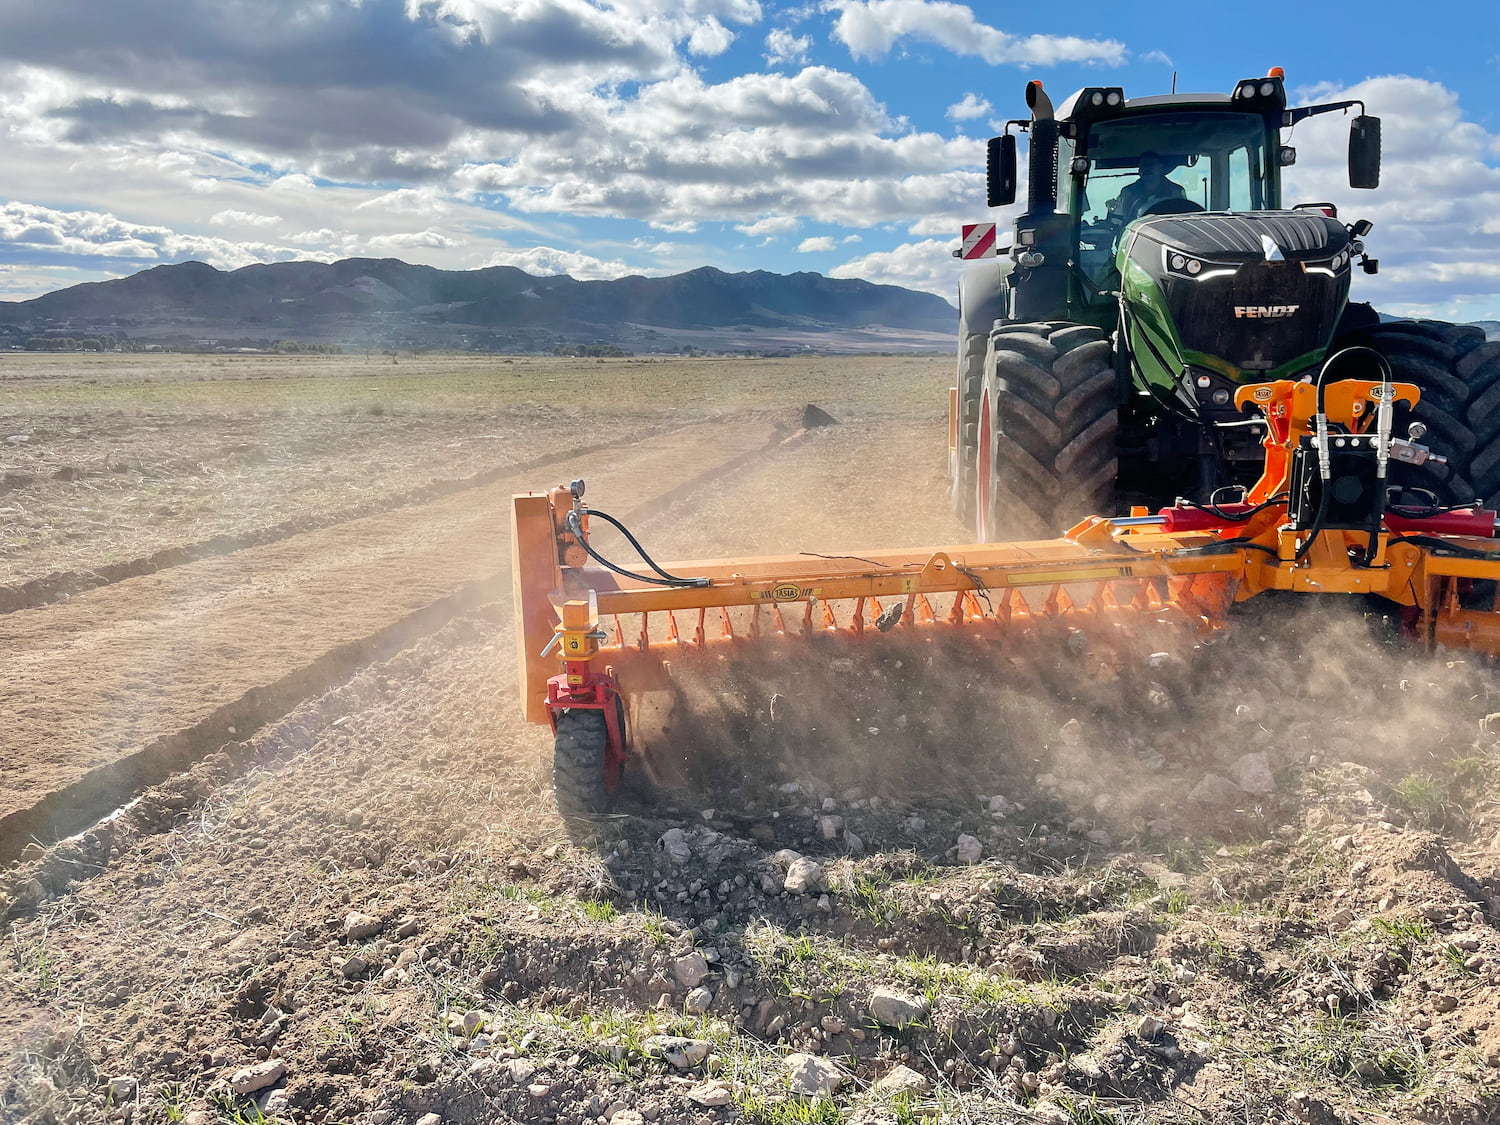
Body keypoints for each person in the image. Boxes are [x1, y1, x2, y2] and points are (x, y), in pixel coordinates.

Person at [1109, 151, 1186, 224]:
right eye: (1143, 165)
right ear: (1139, 170)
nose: (1146, 168)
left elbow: (1185, 220)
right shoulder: (1128, 193)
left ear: (1160, 168)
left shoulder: (1176, 191)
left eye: (1151, 164)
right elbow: (1117, 221)